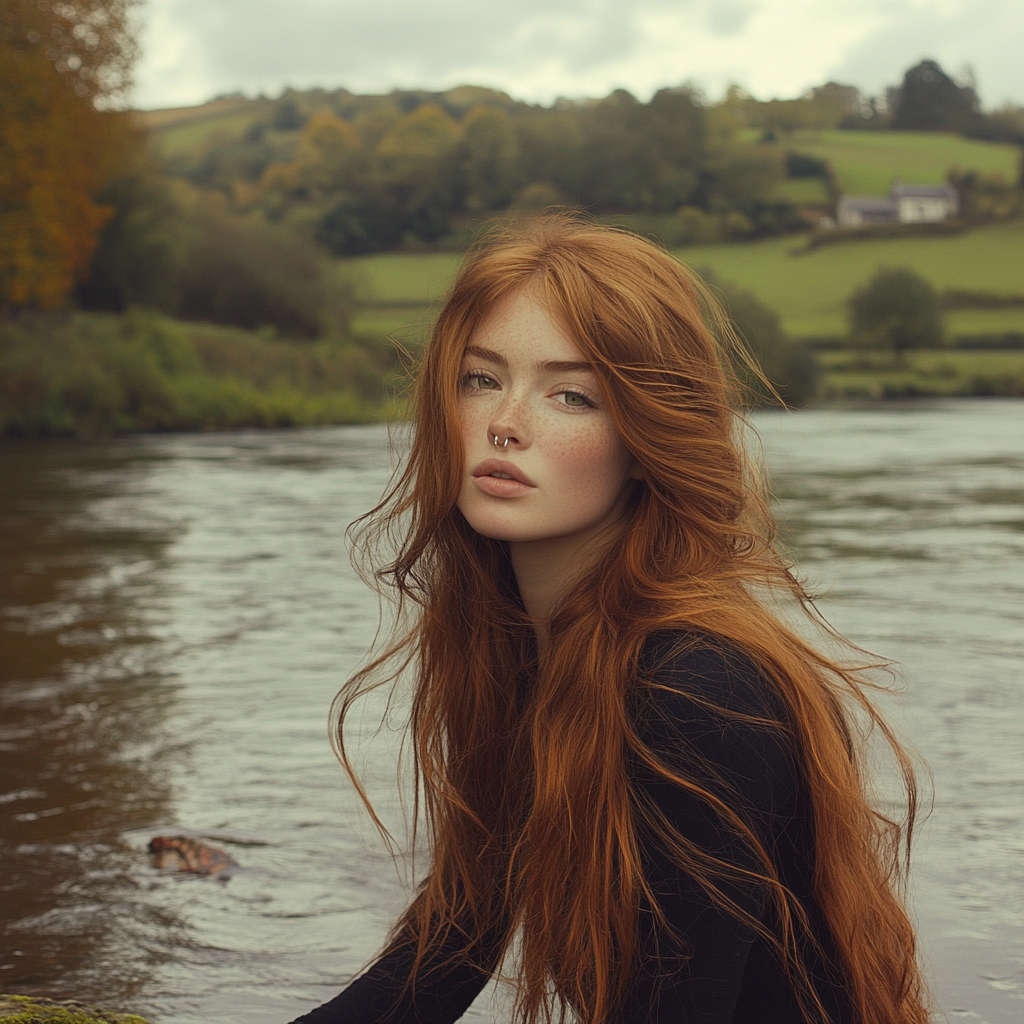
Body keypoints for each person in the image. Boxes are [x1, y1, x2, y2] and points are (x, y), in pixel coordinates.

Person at [289, 215, 930, 1024]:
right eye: (480, 378)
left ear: (647, 434)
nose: (504, 421)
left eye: (571, 395)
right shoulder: (522, 647)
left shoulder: (696, 689)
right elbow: (457, 937)